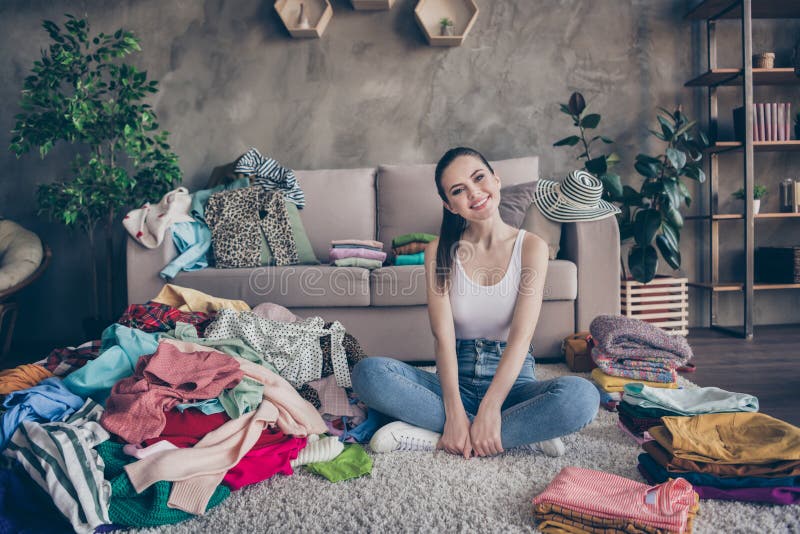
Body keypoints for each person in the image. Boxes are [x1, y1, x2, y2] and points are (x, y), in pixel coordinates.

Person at [351, 147, 599, 458]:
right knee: (368, 373)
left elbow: (521, 338)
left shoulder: (531, 247)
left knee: (582, 396)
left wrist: (492, 406)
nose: (474, 193)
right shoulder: (438, 251)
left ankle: (439, 434)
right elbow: (443, 337)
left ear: (496, 181)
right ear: (449, 205)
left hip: (513, 385)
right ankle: (515, 433)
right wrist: (454, 410)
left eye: (479, 178)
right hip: (455, 382)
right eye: (458, 190)